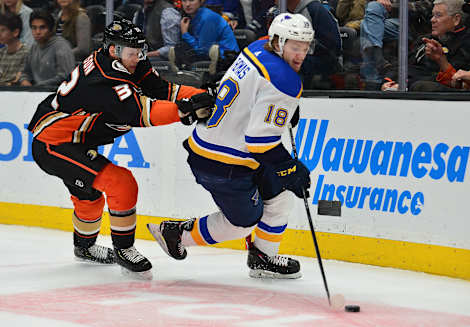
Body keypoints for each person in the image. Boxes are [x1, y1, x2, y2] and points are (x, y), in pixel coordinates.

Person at [27, 18, 215, 279]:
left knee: (89, 197)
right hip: (53, 144)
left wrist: (200, 94)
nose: (138, 58)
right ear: (114, 50)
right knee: (121, 184)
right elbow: (142, 113)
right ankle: (124, 249)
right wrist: (185, 109)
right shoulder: (104, 79)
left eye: (140, 51)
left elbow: (162, 89)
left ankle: (84, 248)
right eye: (132, 53)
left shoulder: (126, 59)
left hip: (73, 140)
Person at [147, 13, 313, 279]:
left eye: (305, 47)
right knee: (241, 225)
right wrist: (288, 167)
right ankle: (175, 233)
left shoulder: (258, 46)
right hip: (224, 162)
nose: (301, 54)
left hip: (224, 148)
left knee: (280, 199)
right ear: (278, 42)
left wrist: (278, 108)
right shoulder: (285, 80)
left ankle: (264, 258)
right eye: (295, 46)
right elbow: (260, 141)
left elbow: (253, 93)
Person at [381, 0, 470, 91]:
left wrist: (406, 84)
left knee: (421, 85)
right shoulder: (424, 40)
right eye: (432, 15)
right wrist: (388, 81)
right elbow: (403, 65)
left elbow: (457, 80)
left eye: (438, 15)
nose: (432, 20)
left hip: (443, 97)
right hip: (409, 89)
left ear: (456, 19)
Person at [359, 0, 434, 88]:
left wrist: (392, 6)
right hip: (382, 21)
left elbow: (426, 6)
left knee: (368, 25)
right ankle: (377, 60)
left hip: (412, 25)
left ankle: (372, 81)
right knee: (372, 10)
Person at [278, 0, 342, 89]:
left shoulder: (315, 10)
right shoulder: (279, 12)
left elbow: (332, 50)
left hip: (319, 62)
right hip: (296, 59)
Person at [169, 0, 239, 71]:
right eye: (184, 0)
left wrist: (185, 34)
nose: (187, 4)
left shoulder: (208, 17)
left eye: (192, 0)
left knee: (184, 50)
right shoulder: (191, 17)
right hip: (207, 52)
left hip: (226, 59)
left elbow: (204, 50)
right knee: (180, 47)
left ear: (201, 1)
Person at [18, 9, 75, 87]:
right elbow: (25, 73)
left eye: (42, 27)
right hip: (35, 92)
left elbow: (66, 76)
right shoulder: (34, 47)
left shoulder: (61, 46)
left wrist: (38, 86)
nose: (37, 32)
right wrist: (24, 80)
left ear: (51, 29)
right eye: (34, 28)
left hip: (56, 93)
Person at [0, 12, 29, 85]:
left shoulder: (26, 53)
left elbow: (18, 80)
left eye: (3, 30)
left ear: (15, 32)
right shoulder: (1, 52)